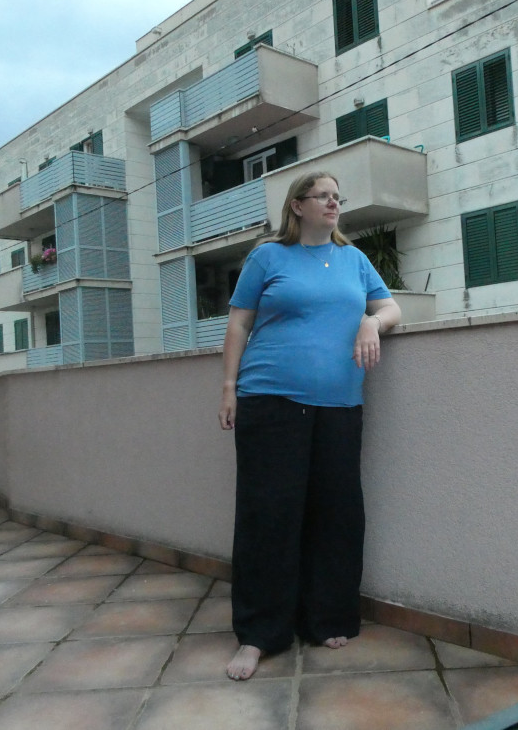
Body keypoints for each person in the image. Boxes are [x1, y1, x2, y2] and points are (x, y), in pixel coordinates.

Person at [217, 171, 402, 681]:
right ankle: (259, 635)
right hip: (270, 401)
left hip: (339, 405)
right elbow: (239, 322)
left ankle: (328, 617)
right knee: (268, 519)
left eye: (338, 197)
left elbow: (391, 307)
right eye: (324, 196)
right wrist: (229, 388)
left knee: (337, 513)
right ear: (297, 205)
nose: (334, 203)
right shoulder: (267, 257)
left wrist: (371, 322)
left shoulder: (354, 260)